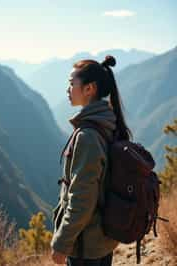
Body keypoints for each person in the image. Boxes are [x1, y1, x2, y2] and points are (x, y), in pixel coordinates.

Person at [50, 55, 133, 266]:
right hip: (101, 238)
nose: (67, 90)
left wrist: (62, 243)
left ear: (89, 89)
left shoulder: (87, 136)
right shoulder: (107, 124)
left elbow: (82, 197)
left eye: (71, 84)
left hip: (85, 246)